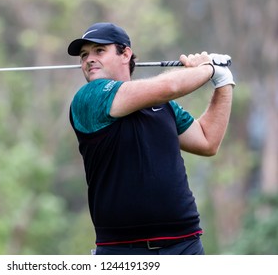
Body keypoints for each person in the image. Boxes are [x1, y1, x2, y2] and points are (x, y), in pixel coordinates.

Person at [67, 22, 235, 255]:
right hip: (123, 250)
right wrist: (208, 69)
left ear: (125, 53)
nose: (89, 59)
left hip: (185, 243)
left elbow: (207, 141)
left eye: (99, 51)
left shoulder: (163, 106)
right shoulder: (89, 98)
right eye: (84, 55)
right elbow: (170, 85)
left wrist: (224, 83)